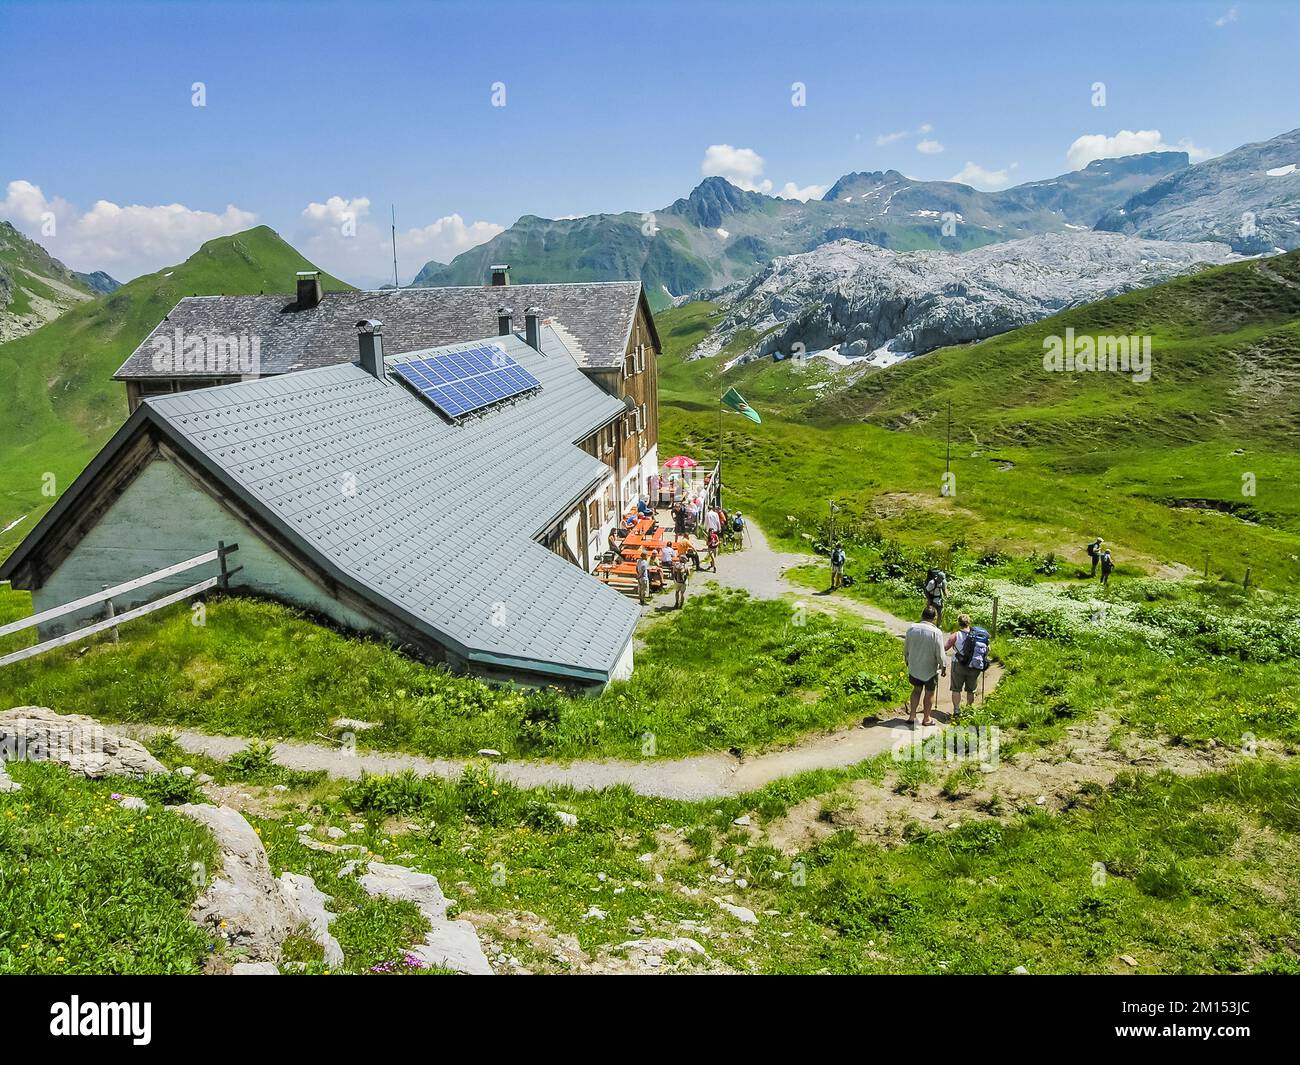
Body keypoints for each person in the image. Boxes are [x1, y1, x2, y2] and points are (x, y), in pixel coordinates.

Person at [904, 605, 946, 728]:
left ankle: (912, 716)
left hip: (915, 666)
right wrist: (943, 666)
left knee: (916, 690)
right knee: (929, 693)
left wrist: (907, 659)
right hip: (930, 669)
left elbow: (906, 647)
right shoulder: (936, 632)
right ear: (934, 618)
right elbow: (940, 652)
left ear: (922, 615)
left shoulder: (912, 628)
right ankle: (926, 718)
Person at [945, 613, 990, 720]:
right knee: (971, 690)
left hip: (958, 664)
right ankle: (969, 710)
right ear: (969, 622)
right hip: (974, 665)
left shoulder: (955, 635)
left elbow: (945, 648)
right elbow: (988, 649)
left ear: (958, 623)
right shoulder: (980, 635)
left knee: (956, 689)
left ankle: (956, 710)